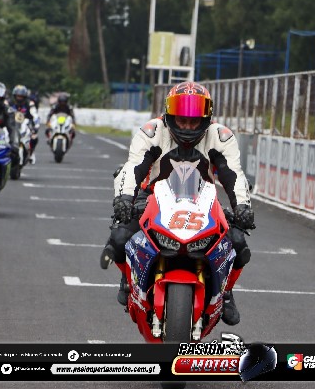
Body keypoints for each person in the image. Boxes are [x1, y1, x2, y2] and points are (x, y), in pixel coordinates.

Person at [100, 81, 255, 326]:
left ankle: (225, 292)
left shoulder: (220, 136)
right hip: (151, 197)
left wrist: (243, 207)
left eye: (194, 121)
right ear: (170, 115)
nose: (187, 126)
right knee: (119, 238)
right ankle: (128, 278)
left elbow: (233, 174)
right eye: (182, 120)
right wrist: (124, 199)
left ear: (206, 118)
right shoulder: (152, 131)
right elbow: (133, 167)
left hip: (203, 201)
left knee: (238, 242)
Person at [9, 85, 41, 164]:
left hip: (26, 123)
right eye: (18, 96)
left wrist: (36, 126)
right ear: (14, 96)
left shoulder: (30, 104)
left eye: (21, 96)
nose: (19, 98)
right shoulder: (9, 103)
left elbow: (35, 115)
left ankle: (31, 152)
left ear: (25, 97)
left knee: (34, 137)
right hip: (11, 124)